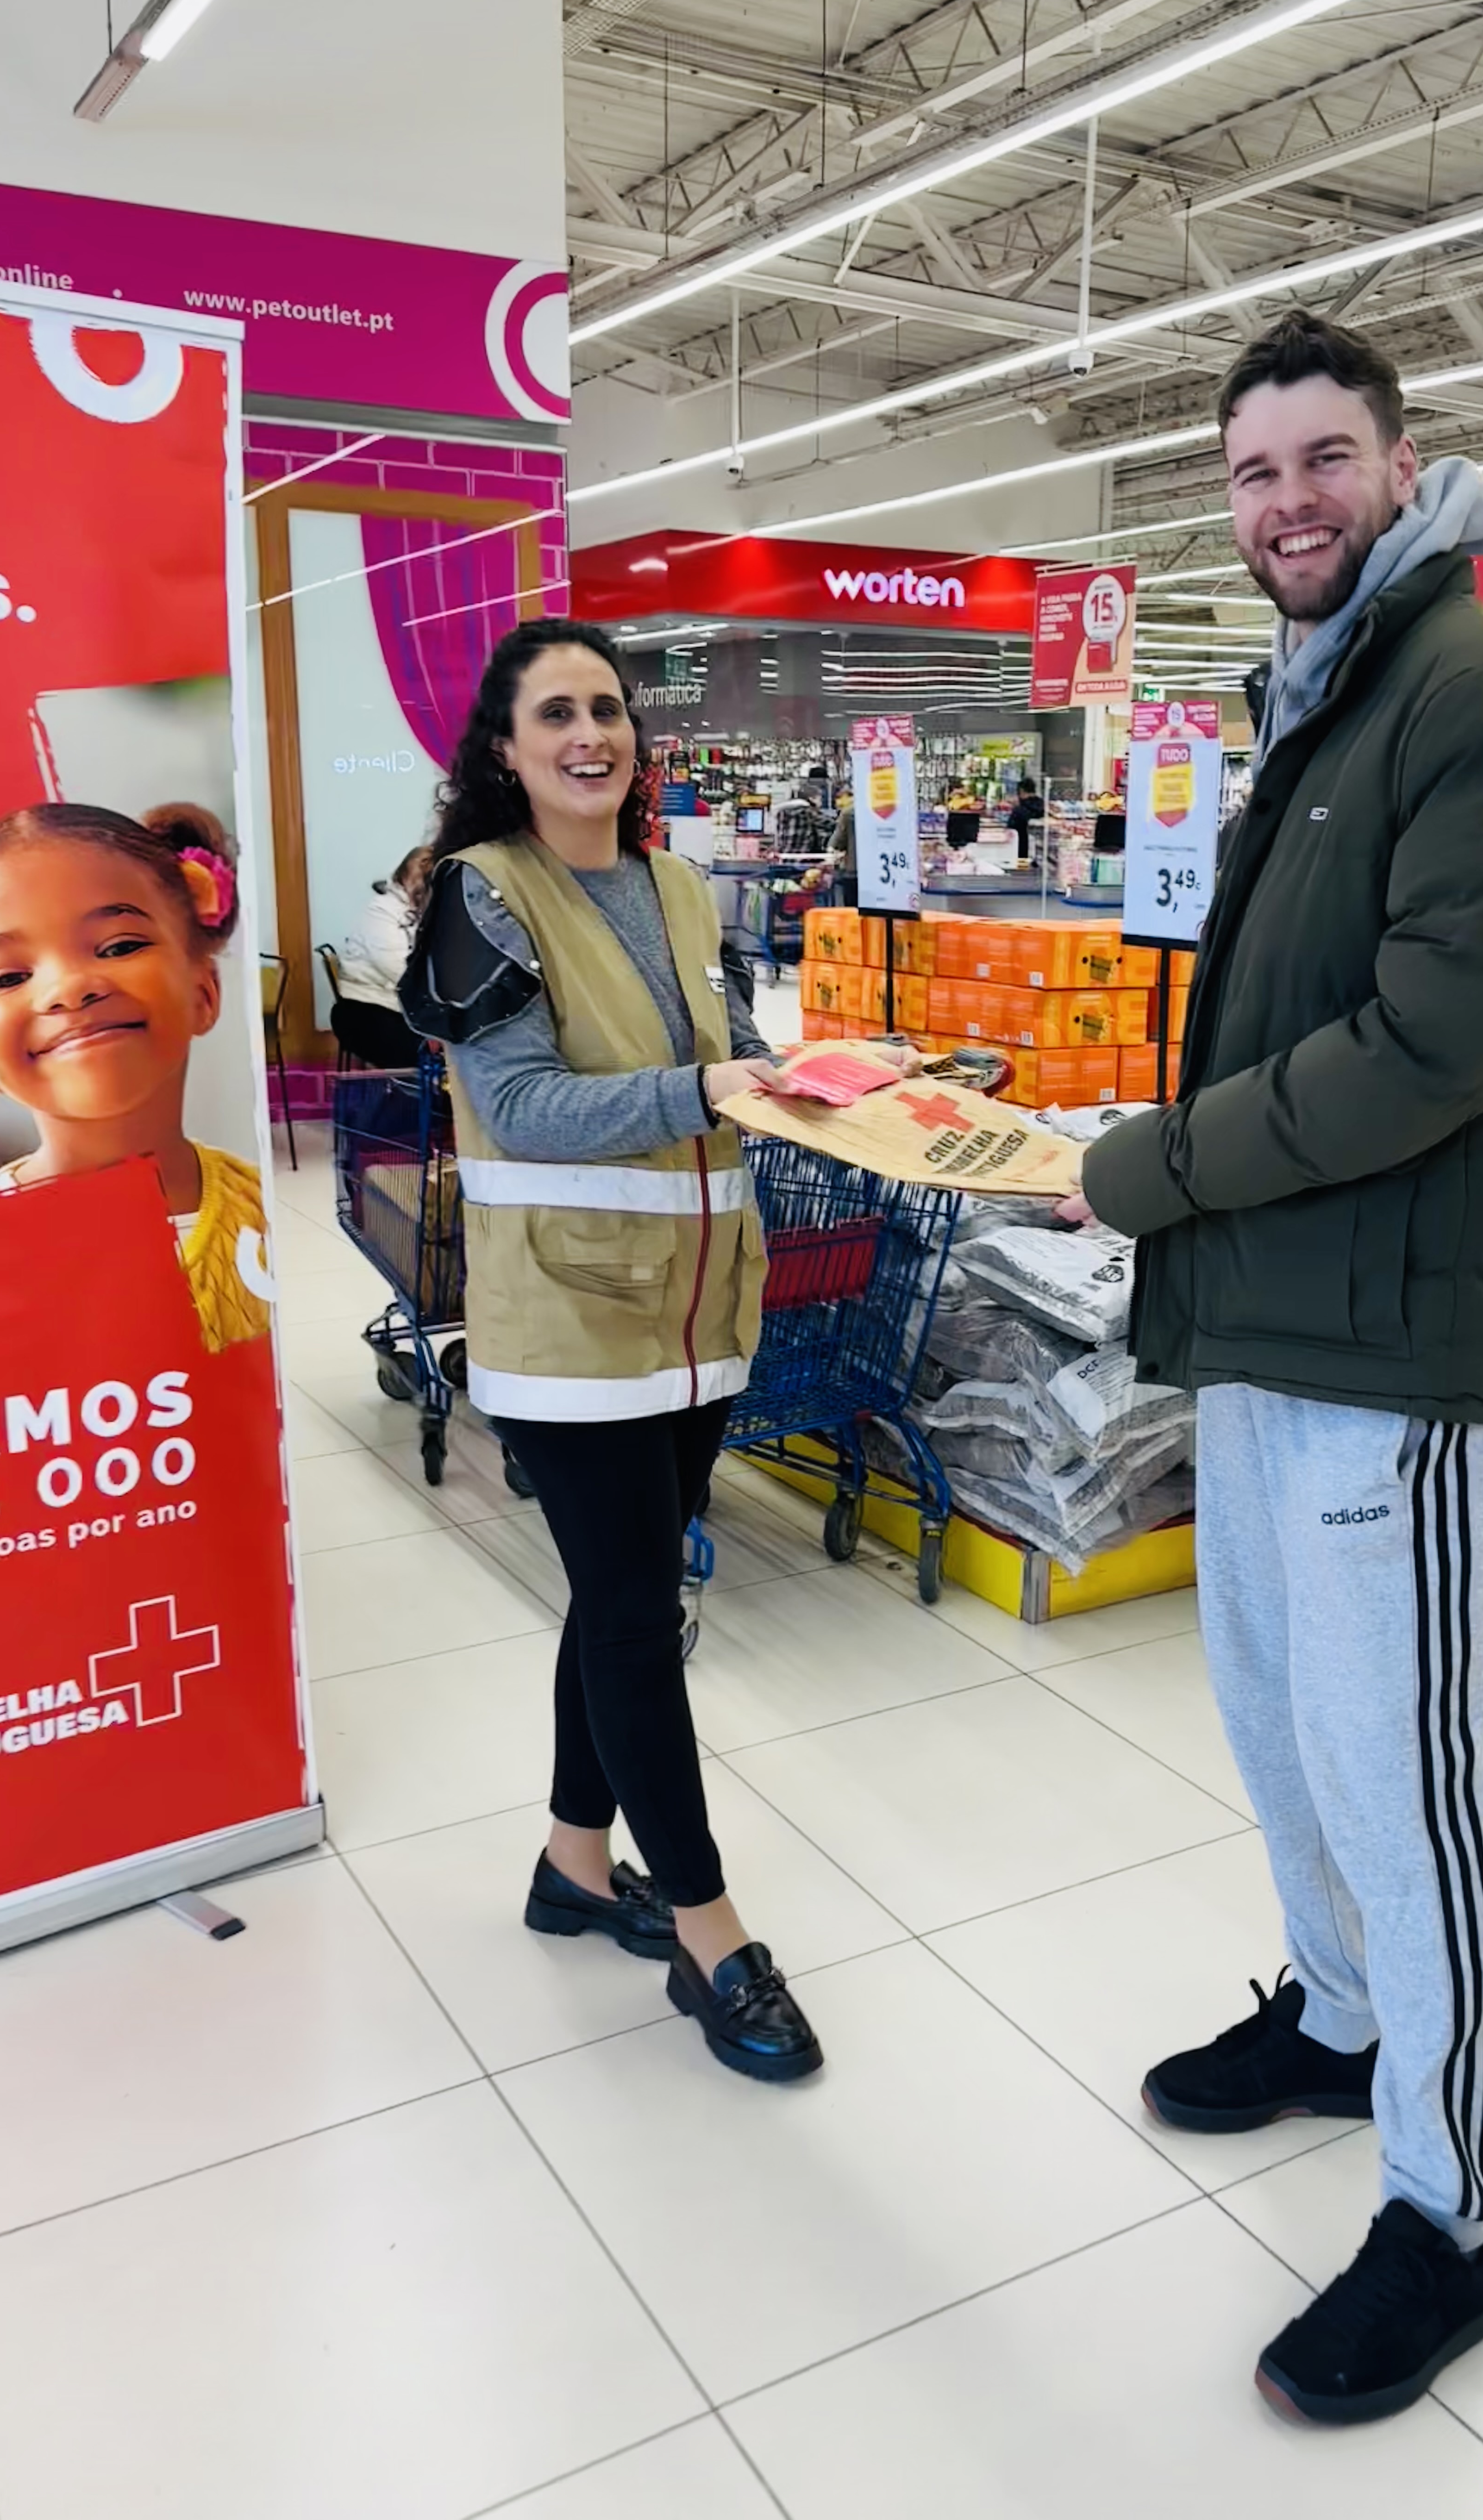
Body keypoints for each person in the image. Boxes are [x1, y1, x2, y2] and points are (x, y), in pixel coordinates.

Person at [1069, 309, 1483, 2423]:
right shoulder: (1325, 697)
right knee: (1283, 1727)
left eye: (1321, 458)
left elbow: (1433, 1046)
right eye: (1251, 470)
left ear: (1401, 467)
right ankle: (1335, 2020)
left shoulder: (1481, 690)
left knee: (1415, 1792)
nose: (1286, 500)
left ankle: (1446, 2213)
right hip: (1272, 1319)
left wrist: (1148, 1168)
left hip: (1400, 1356)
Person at [401, 617, 908, 2082]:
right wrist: (715, 1085)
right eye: (557, 714)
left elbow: (732, 1051)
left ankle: (574, 1864)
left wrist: (834, 1078)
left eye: (608, 710)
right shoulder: (483, 895)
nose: (591, 736)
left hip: (697, 1308)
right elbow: (525, 1107)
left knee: (619, 1597)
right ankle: (708, 1930)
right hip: (570, 1319)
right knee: (637, 1619)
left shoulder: (678, 883)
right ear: (506, 750)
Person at [0, 801, 270, 1354]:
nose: (69, 988)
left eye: (120, 946)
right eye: (6, 978)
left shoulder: (271, 1220)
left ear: (203, 994)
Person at [333, 846, 428, 1067]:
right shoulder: (382, 911)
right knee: (430, 1054)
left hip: (401, 1008)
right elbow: (401, 972)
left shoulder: (423, 910)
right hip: (367, 1010)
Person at [1008, 774, 1045, 863]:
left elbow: (1011, 828)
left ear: (1021, 791)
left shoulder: (1019, 810)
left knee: (1022, 868)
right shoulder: (1044, 806)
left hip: (1021, 852)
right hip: (1040, 855)